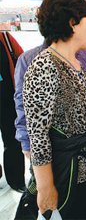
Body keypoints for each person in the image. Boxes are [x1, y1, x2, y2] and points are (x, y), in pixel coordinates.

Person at [22, 0, 86, 219]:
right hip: (63, 174)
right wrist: (45, 188)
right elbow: (38, 136)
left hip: (84, 169)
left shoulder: (76, 60)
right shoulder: (44, 67)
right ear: (73, 23)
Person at [0, 31, 25, 193]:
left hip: (8, 100)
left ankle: (16, 181)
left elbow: (23, 60)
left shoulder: (6, 38)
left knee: (13, 141)